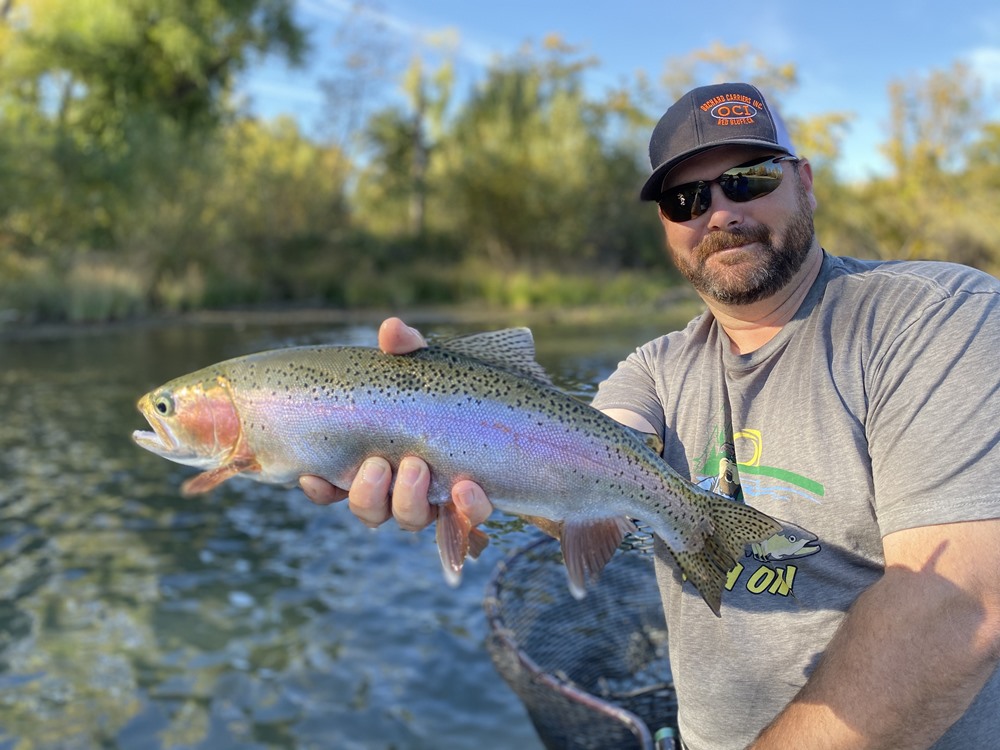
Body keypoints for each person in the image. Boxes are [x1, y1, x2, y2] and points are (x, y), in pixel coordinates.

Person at [299, 82, 1000, 749]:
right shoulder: (653, 369)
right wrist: (438, 428)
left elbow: (959, 607)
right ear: (667, 227)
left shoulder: (937, 318)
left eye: (749, 179)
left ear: (805, 181)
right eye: (686, 198)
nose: (720, 213)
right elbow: (584, 470)